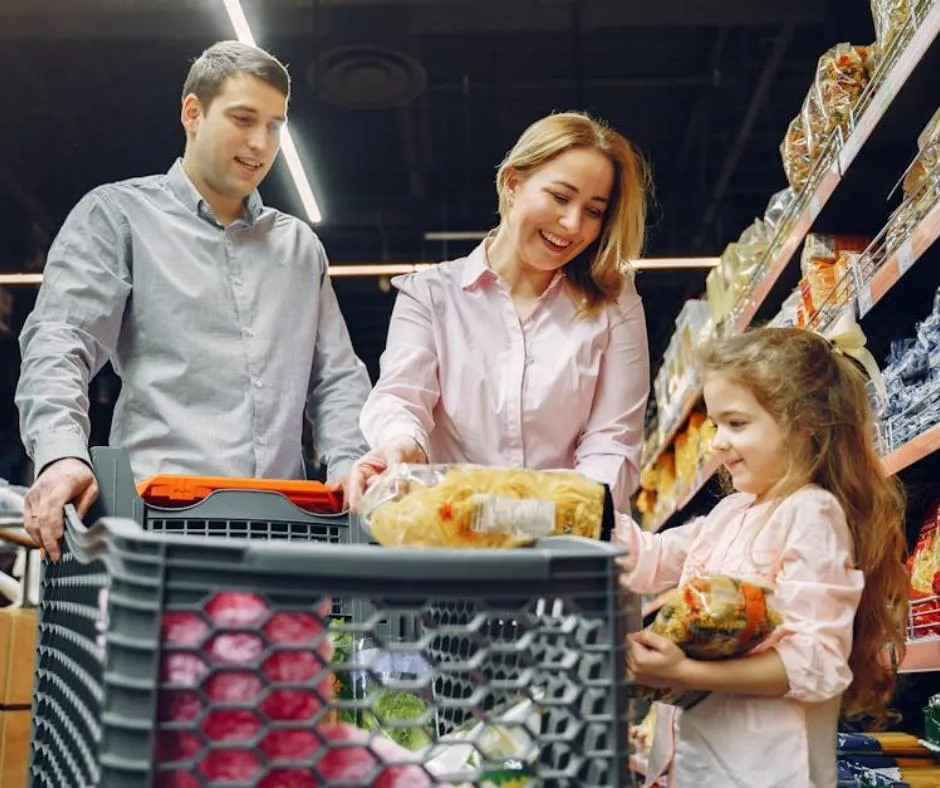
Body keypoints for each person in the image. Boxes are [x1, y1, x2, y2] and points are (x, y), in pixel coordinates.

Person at [16, 41, 371, 560]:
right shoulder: (118, 217)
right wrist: (61, 455)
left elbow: (336, 377)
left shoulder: (298, 247)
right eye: (243, 118)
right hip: (156, 532)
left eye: (275, 125)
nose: (260, 142)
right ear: (193, 113)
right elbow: (60, 341)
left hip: (285, 532)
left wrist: (351, 463)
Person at [617, 327, 908, 787]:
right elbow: (649, 558)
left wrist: (684, 672)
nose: (716, 443)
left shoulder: (811, 513)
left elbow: (815, 661)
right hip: (696, 765)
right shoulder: (730, 513)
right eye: (715, 426)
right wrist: (571, 508)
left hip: (766, 770)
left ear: (807, 424)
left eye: (736, 424)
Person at [347, 111, 651, 513]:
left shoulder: (614, 302)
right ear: (513, 183)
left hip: (567, 544)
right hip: (452, 535)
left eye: (594, 211)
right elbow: (401, 397)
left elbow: (614, 440)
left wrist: (554, 515)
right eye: (560, 197)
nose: (573, 224)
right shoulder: (431, 296)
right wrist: (401, 446)